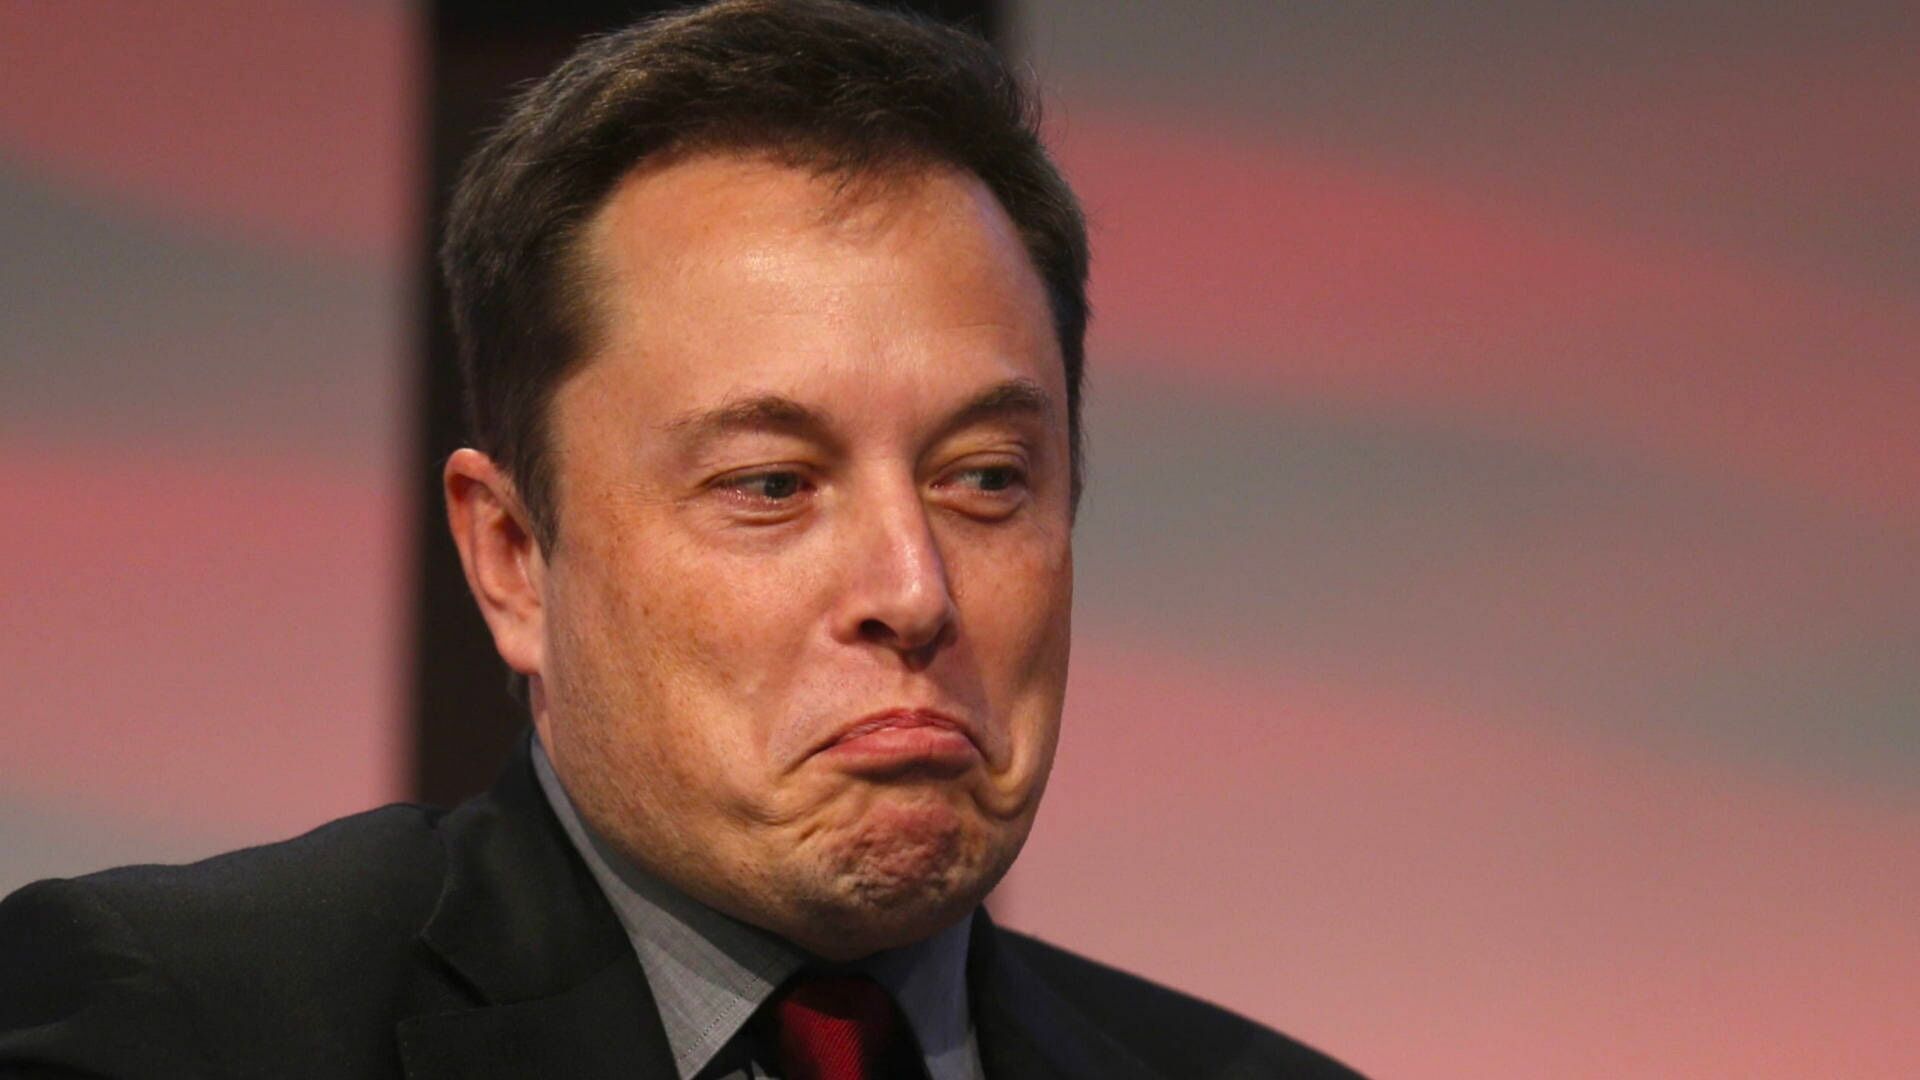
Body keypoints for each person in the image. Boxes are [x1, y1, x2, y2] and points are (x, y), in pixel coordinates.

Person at [0, 2, 1361, 1077]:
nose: (914, 589)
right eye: (771, 484)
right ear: (511, 559)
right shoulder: (178, 1027)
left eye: (987, 478)